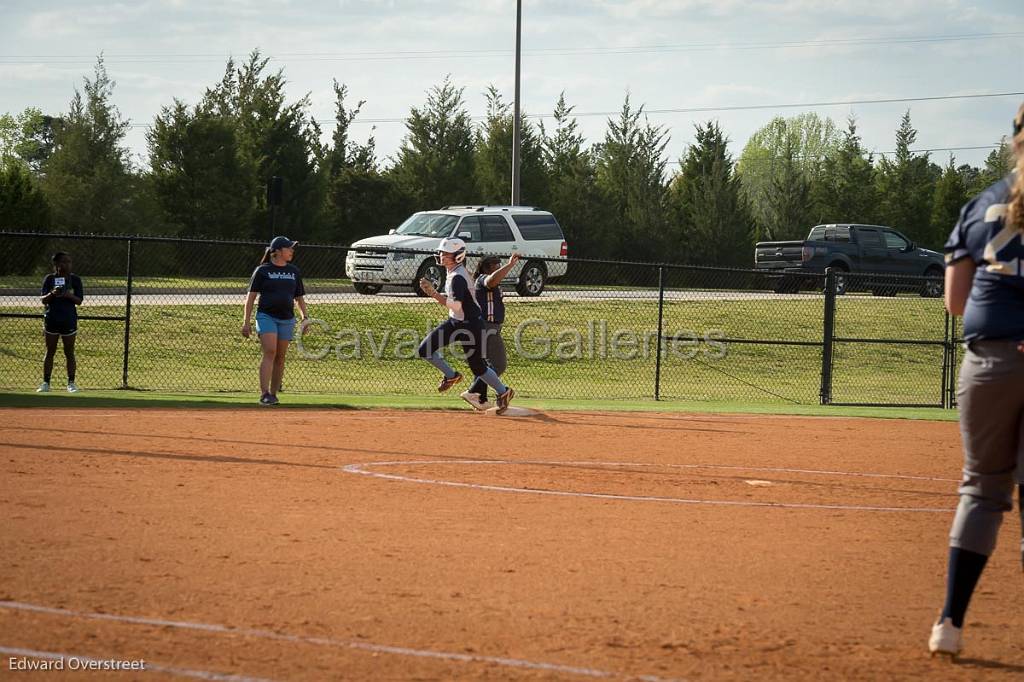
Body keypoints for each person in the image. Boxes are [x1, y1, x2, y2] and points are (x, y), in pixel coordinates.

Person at [929, 102, 1024, 658]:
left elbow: (956, 302)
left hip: (989, 363)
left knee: (982, 489)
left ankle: (949, 624)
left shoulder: (982, 203)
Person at [417, 238, 515, 414]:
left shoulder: (457, 277)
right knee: (425, 349)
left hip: (471, 325)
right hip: (457, 322)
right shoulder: (454, 273)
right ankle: (451, 375)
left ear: (458, 256)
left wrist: (432, 292)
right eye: (442, 253)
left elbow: (456, 306)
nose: (441, 256)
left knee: (478, 367)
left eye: (446, 254)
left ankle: (503, 392)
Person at [242, 236, 308, 405]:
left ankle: (273, 394)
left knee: (280, 357)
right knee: (270, 351)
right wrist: (246, 321)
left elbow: (299, 298)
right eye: (289, 248)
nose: (292, 250)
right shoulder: (262, 271)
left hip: (287, 319)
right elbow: (250, 298)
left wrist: (304, 318)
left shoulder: (294, 271)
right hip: (266, 316)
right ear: (277, 251)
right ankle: (264, 393)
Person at [460, 252, 520, 411]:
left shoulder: (483, 282)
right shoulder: (483, 280)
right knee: (498, 365)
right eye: (496, 266)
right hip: (487, 327)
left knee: (484, 365)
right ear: (487, 268)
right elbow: (491, 280)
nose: (499, 268)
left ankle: (481, 398)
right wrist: (510, 265)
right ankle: (473, 392)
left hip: (487, 327)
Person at [37, 252, 84, 393]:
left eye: (69, 262)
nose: (68, 264)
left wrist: (67, 294)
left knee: (69, 351)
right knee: (50, 351)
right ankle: (46, 383)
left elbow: (79, 300)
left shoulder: (75, 279)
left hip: (68, 319)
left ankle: (71, 383)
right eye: (65, 262)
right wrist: (53, 293)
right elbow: (43, 300)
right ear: (57, 264)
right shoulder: (49, 279)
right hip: (52, 319)